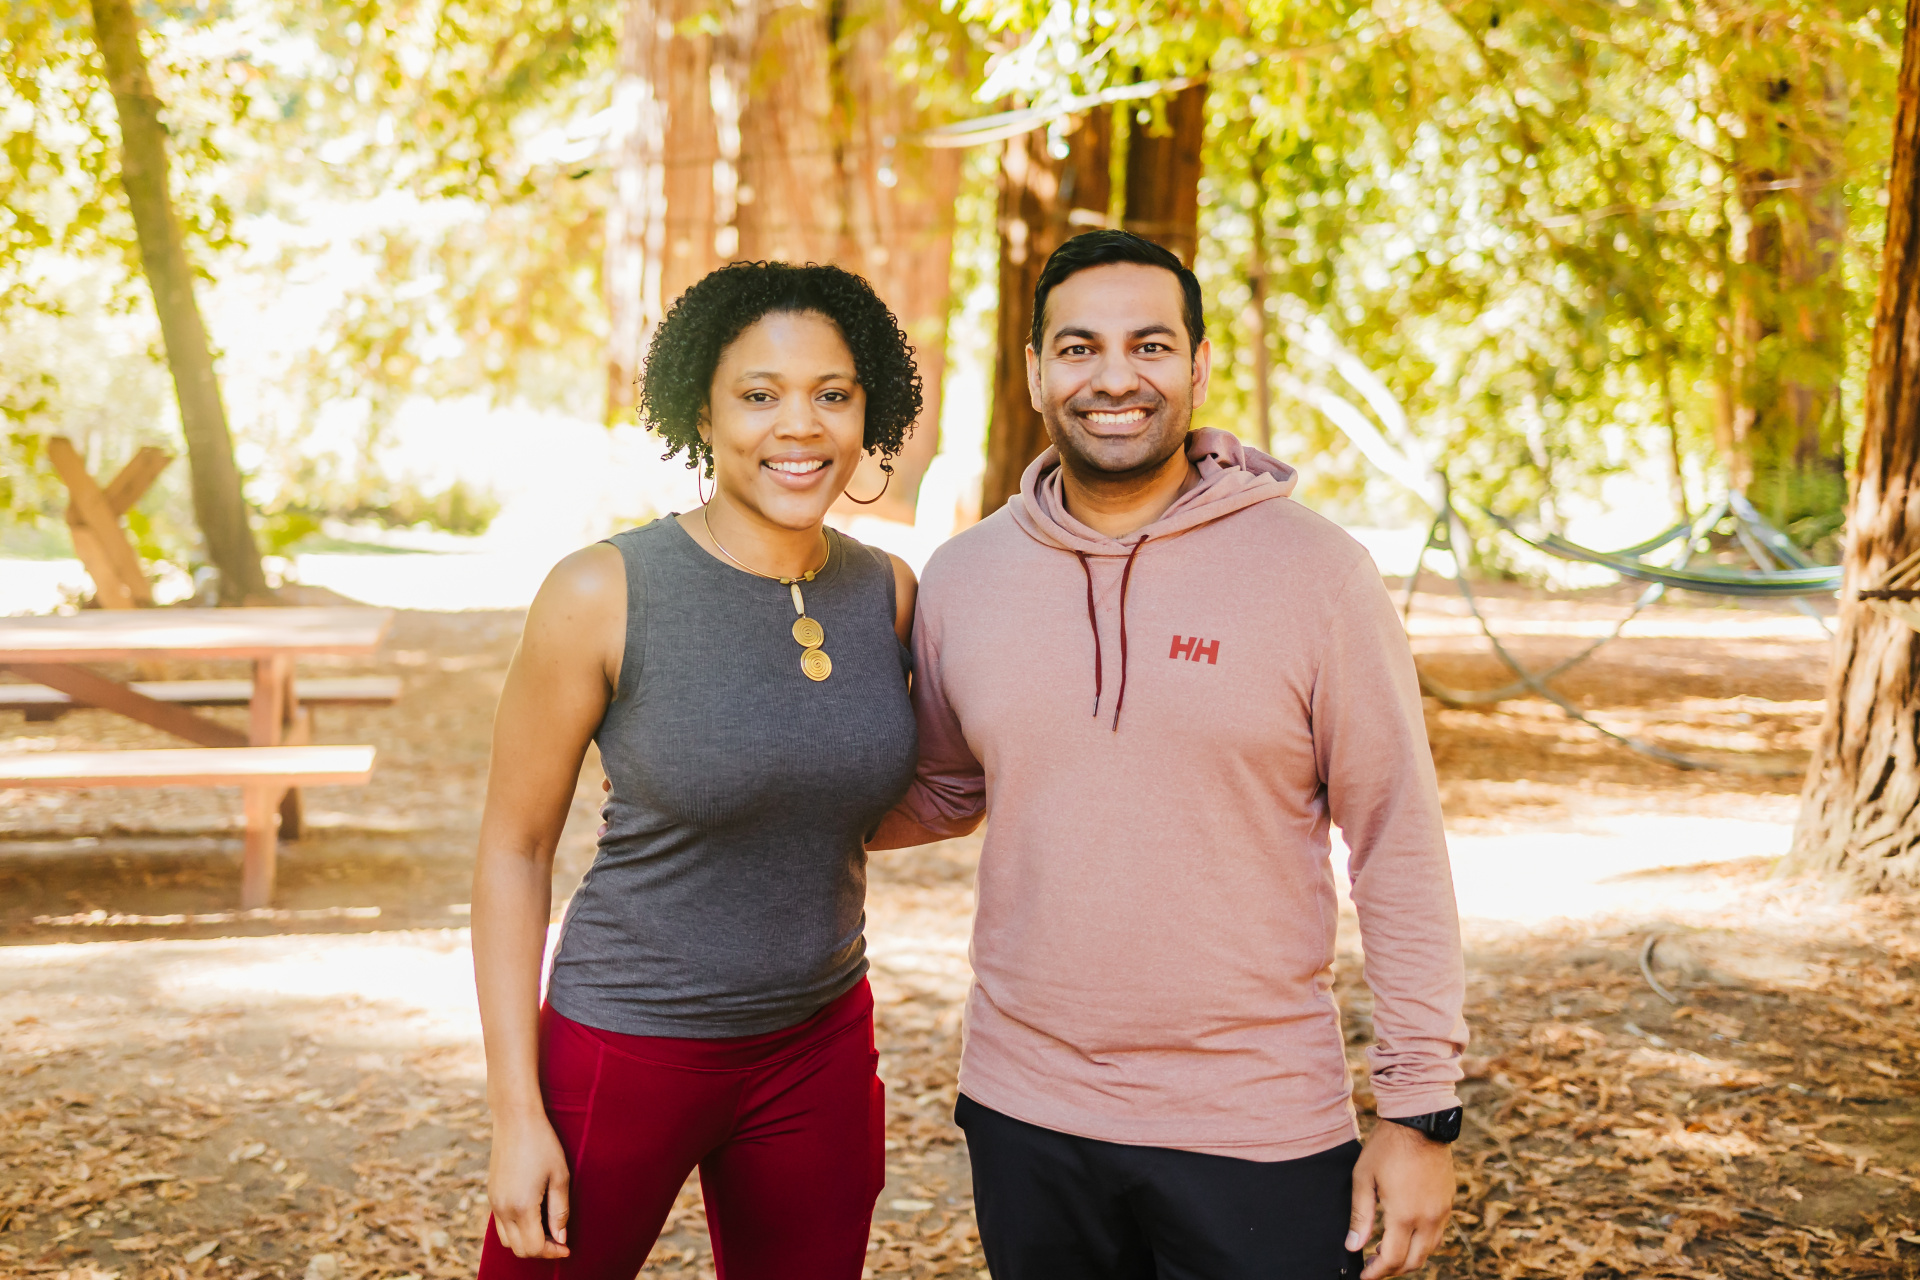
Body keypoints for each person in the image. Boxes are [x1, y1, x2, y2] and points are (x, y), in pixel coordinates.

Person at [869, 229, 1469, 1280]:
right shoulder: (966, 577)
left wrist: (1420, 1110)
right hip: (1024, 1108)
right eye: (1078, 347)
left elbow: (1396, 840)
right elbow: (943, 786)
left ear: (1196, 365)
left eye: (1149, 345)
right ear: (1035, 370)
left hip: (1255, 1121)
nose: (1113, 378)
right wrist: (743, 777)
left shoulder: (1319, 574)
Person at [472, 261, 923, 1279]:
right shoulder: (603, 589)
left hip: (822, 1043)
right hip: (628, 1039)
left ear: (868, 412)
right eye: (759, 395)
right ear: (703, 412)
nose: (797, 426)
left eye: (832, 395)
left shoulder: (884, 591)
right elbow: (514, 845)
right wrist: (515, 1110)